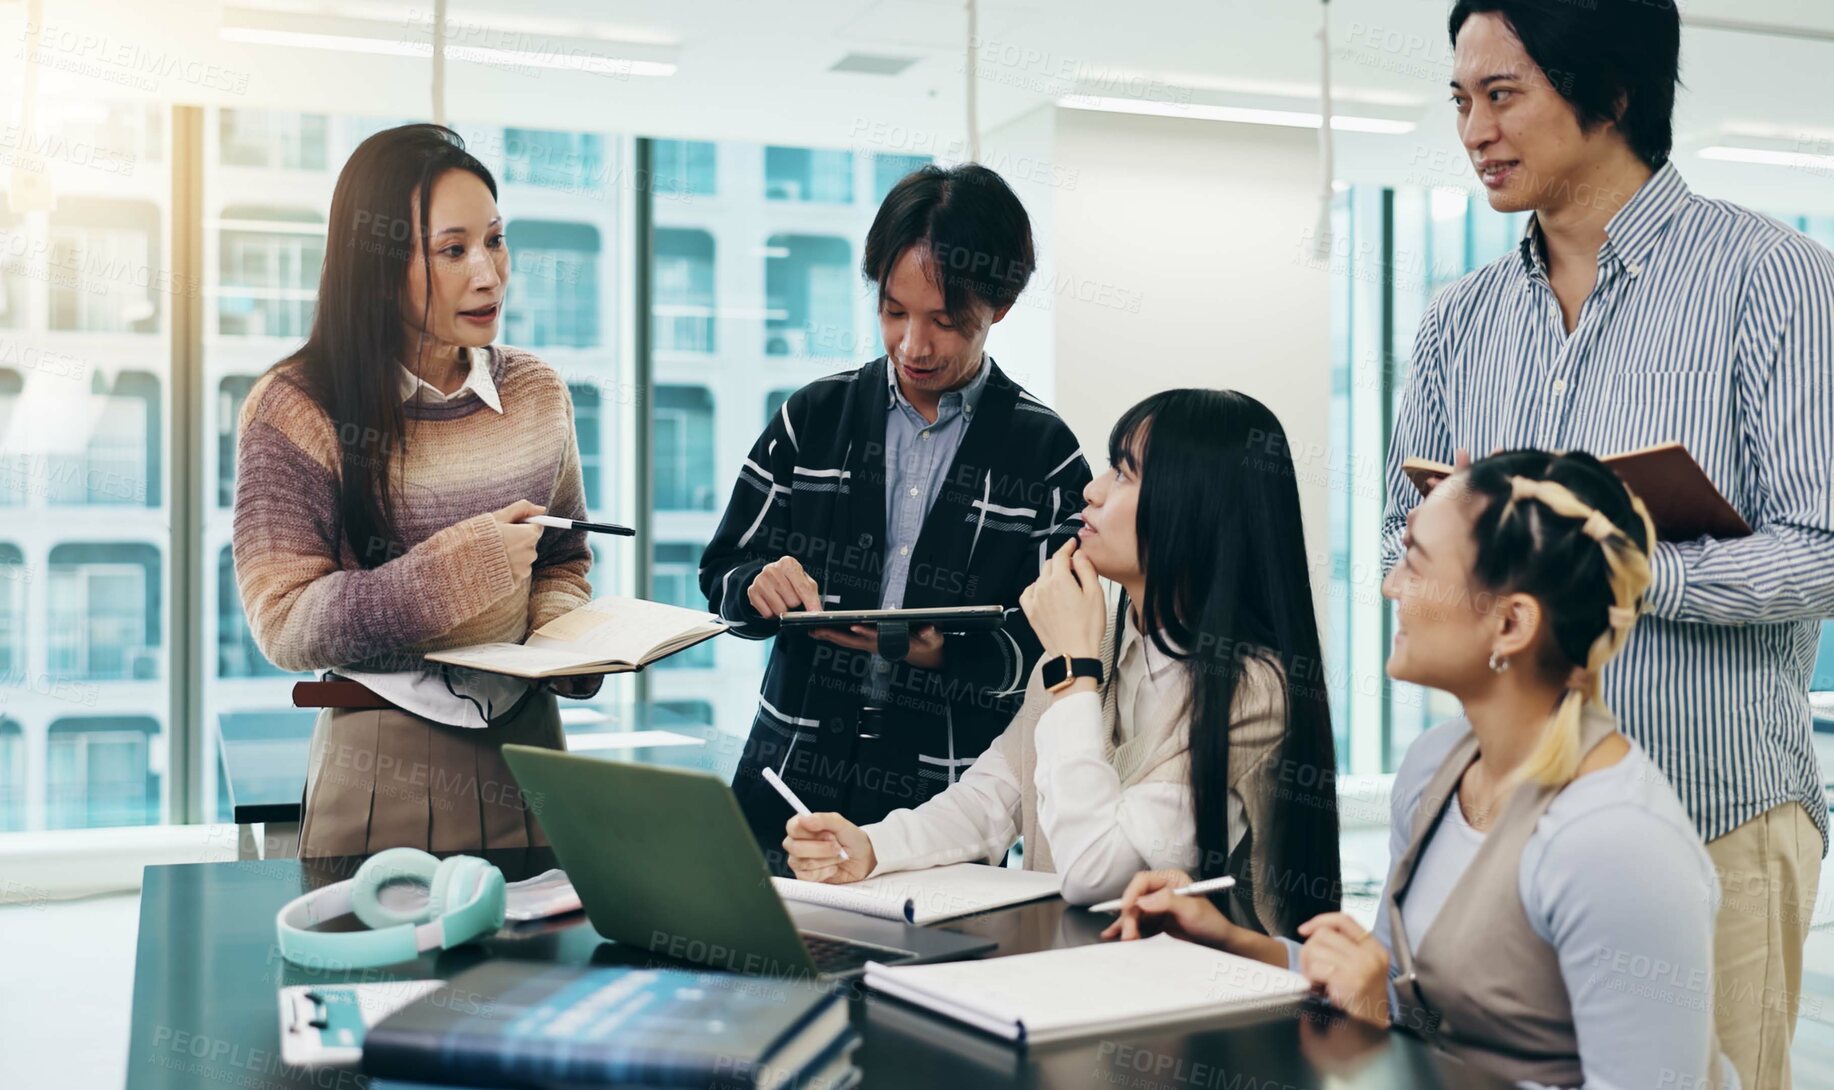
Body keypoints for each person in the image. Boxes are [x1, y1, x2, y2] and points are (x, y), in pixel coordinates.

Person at [1381, 2, 1834, 1082]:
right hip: (1503, 824)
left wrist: (1615, 568)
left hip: (1713, 807)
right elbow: (1405, 530)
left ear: (1612, 96)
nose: (1473, 130)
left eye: (1502, 95)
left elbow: (1822, 547)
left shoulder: (1771, 278)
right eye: (1460, 100)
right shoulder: (1457, 319)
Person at [1109, 451, 1731, 1088]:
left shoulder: (1617, 844)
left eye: (1415, 560)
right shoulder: (1438, 765)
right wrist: (1231, 940)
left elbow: (1390, 1022)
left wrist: (1383, 1033)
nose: (1390, 587)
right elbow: (1404, 997)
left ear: (1511, 622)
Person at [781, 390, 1342, 928]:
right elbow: (995, 794)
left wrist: (1073, 672)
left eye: (1125, 473)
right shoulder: (1100, 638)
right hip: (1078, 968)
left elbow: (1095, 874)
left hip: (1201, 999)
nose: (1093, 492)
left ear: (1193, 509)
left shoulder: (1251, 689)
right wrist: (873, 845)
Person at [701, 164, 1092, 867]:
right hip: (790, 782)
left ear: (998, 307)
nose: (914, 345)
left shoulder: (1047, 455)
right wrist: (756, 585)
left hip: (943, 801)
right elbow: (721, 572)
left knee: (924, 973)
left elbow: (1054, 650)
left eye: (946, 322)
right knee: (766, 969)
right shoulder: (812, 418)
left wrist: (945, 653)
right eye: (893, 311)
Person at [232, 124, 596, 858]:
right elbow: (284, 622)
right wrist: (456, 573)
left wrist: (564, 640)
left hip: (532, 749)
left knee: (542, 975)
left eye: (495, 240)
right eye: (453, 250)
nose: (489, 274)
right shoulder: (296, 406)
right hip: (382, 756)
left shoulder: (537, 391)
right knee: (382, 974)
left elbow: (565, 559)